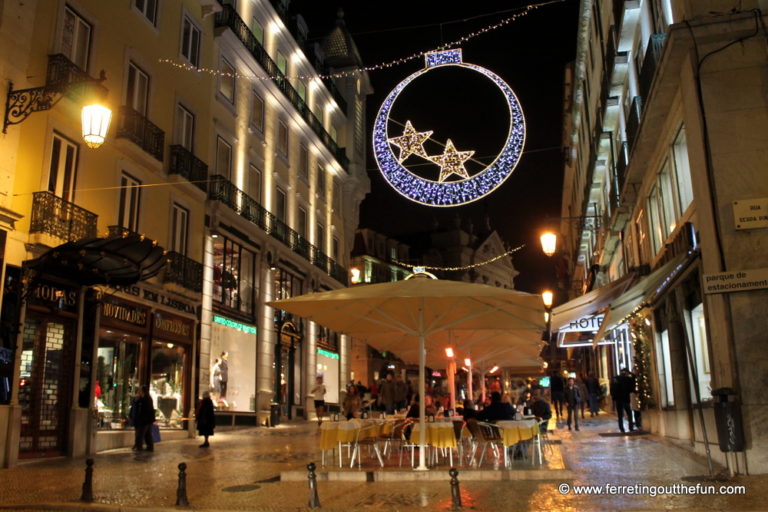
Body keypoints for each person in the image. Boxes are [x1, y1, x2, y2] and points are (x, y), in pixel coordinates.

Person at [131, 385, 156, 451]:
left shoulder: (145, 399)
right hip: (146, 420)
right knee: (147, 434)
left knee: (141, 434)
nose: (139, 392)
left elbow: (145, 410)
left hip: (144, 421)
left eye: (140, 390)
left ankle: (139, 447)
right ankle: (149, 447)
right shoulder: (145, 399)